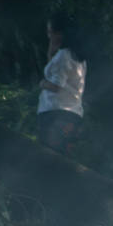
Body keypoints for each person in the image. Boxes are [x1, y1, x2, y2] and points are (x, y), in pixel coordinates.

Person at [37, 14, 87, 157]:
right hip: (74, 113)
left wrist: (42, 84)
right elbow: (52, 68)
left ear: (59, 34)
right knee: (65, 159)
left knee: (49, 158)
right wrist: (52, 46)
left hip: (55, 113)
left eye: (49, 32)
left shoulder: (64, 56)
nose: (48, 36)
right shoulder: (77, 56)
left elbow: (56, 86)